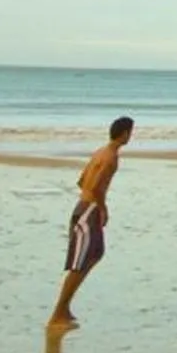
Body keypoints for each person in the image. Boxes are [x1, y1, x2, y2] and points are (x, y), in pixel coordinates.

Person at [48, 115, 132, 330]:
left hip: (85, 208)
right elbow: (93, 185)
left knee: (96, 253)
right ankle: (58, 312)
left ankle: (64, 308)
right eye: (130, 132)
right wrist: (102, 207)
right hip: (88, 211)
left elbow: (82, 180)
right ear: (124, 134)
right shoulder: (111, 156)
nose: (130, 136)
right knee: (81, 263)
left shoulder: (101, 152)